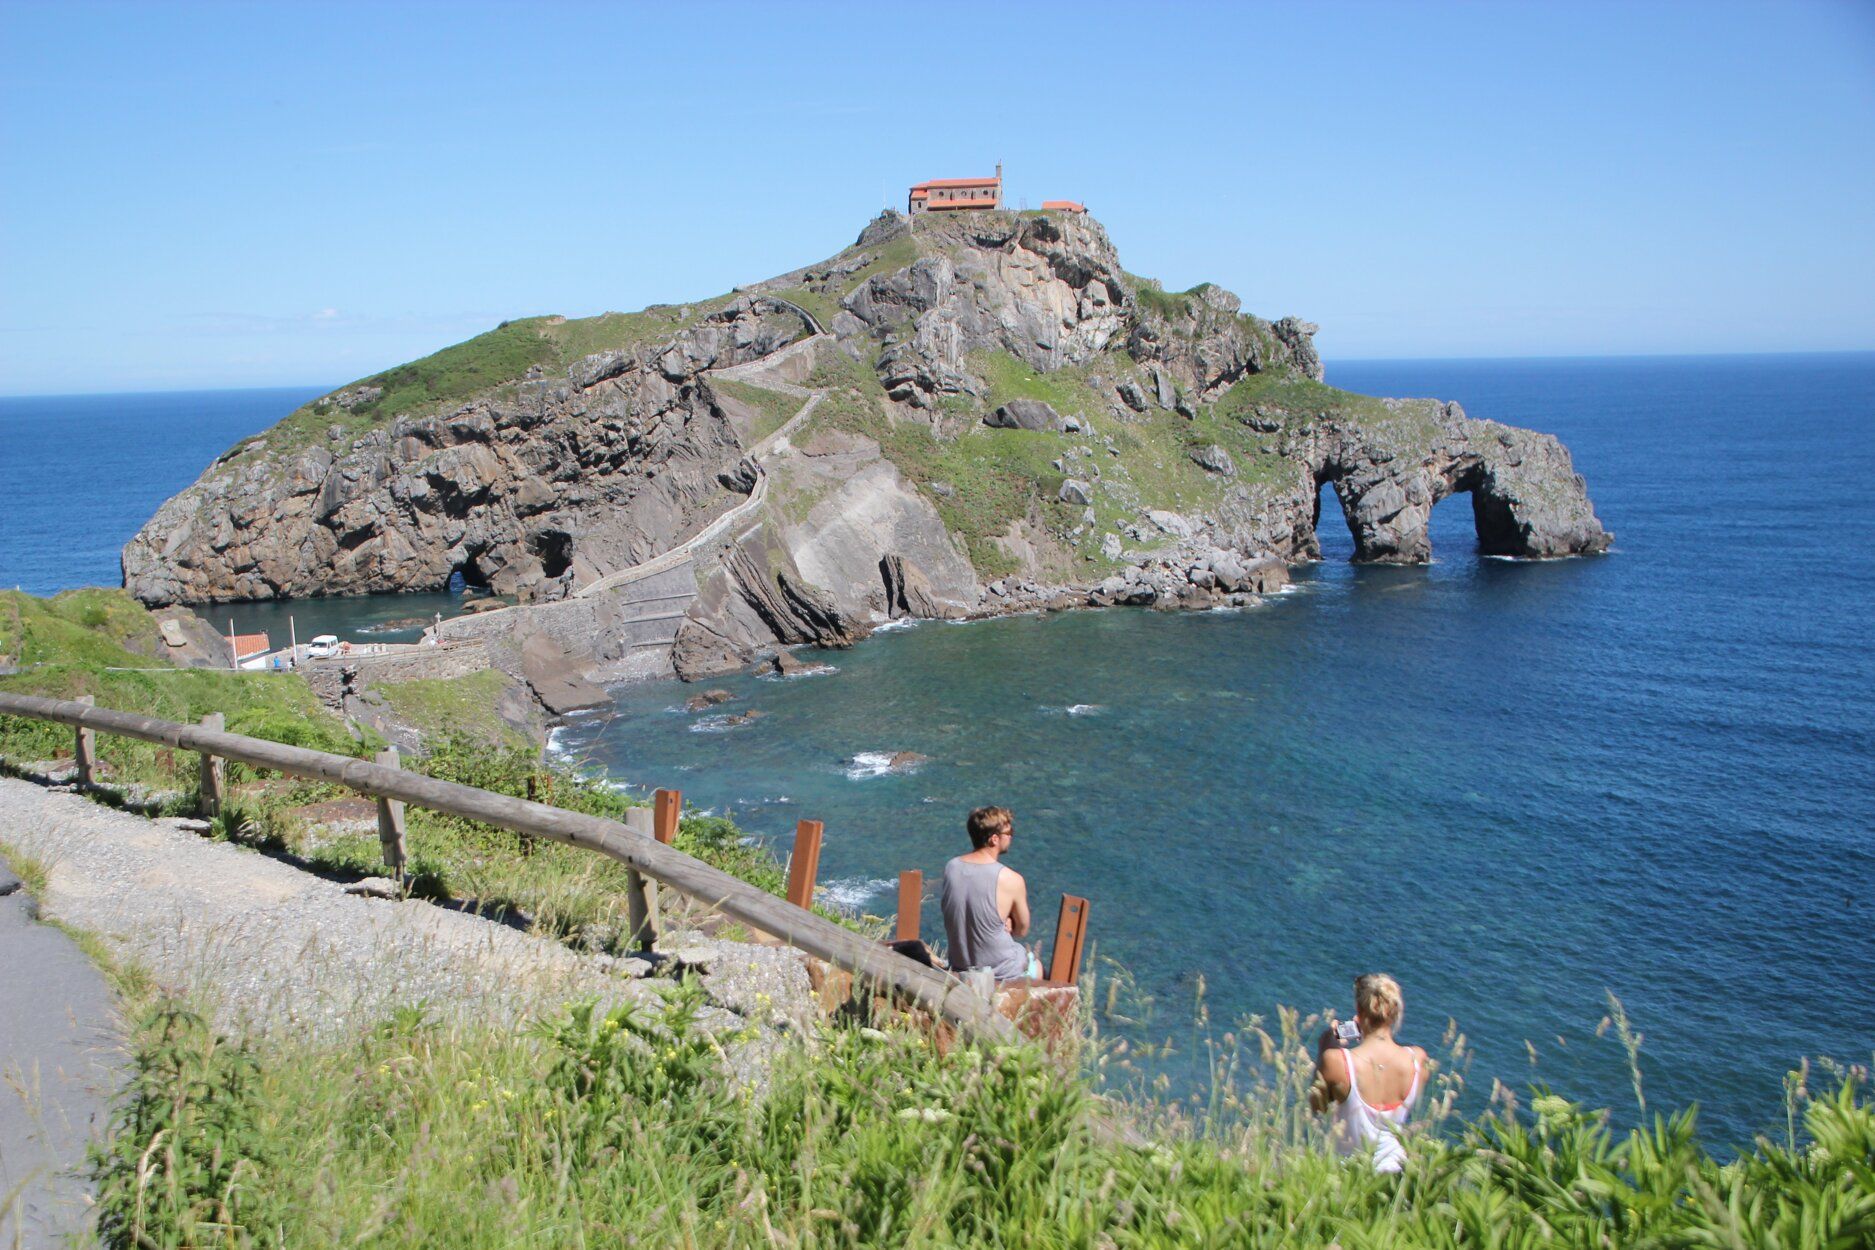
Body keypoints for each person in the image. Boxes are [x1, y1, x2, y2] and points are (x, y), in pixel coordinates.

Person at [1311, 973, 1430, 1173]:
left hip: (1348, 1176)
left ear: (1359, 1010)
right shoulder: (1417, 1060)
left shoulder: (1337, 1061)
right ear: (1394, 1013)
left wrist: (1325, 1046)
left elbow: (1317, 1108)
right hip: (1396, 1176)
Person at [940, 806, 1041, 981]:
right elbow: (1022, 930)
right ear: (994, 839)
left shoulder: (951, 867)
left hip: (959, 966)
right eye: (1009, 832)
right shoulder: (1010, 879)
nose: (1011, 837)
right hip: (1000, 973)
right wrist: (1008, 920)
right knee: (1037, 966)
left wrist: (1002, 918)